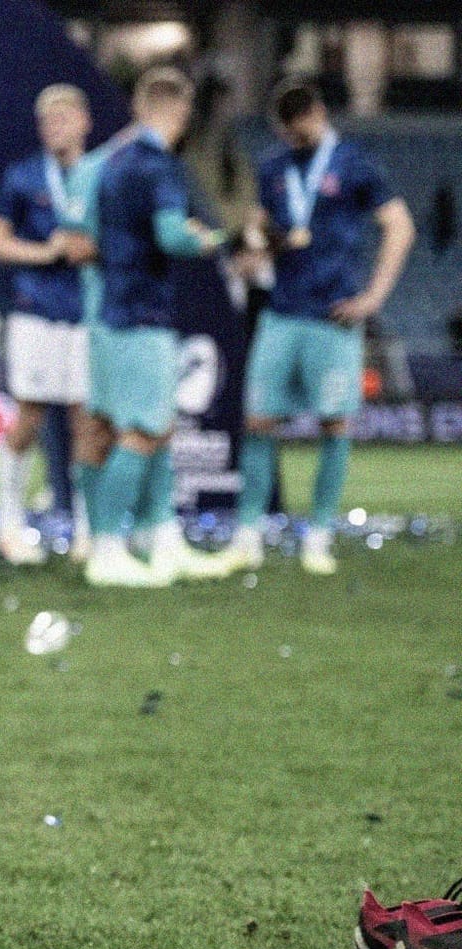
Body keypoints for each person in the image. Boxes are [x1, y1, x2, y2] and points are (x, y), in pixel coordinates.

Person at [219, 81, 414, 577]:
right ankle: (247, 538)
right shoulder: (273, 166)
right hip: (282, 311)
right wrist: (254, 250)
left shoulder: (353, 163)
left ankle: (319, 536)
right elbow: (265, 228)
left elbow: (400, 225)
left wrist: (374, 297)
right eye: (285, 129)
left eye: (298, 126)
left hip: (334, 314)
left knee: (335, 424)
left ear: (317, 113)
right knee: (259, 421)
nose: (292, 136)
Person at [80, 68, 230, 588]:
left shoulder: (111, 163)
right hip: (144, 313)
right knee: (142, 433)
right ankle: (107, 550)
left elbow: (93, 237)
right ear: (181, 111)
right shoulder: (158, 166)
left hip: (113, 307)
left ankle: (161, 538)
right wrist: (212, 238)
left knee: (150, 431)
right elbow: (172, 237)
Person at [0, 83, 97, 565]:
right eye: (48, 120)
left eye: (64, 117)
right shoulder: (24, 177)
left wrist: (93, 251)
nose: (56, 127)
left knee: (86, 422)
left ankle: (89, 530)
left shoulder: (99, 176)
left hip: (86, 312)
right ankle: (10, 527)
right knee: (28, 417)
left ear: (85, 121)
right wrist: (45, 252)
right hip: (36, 311)